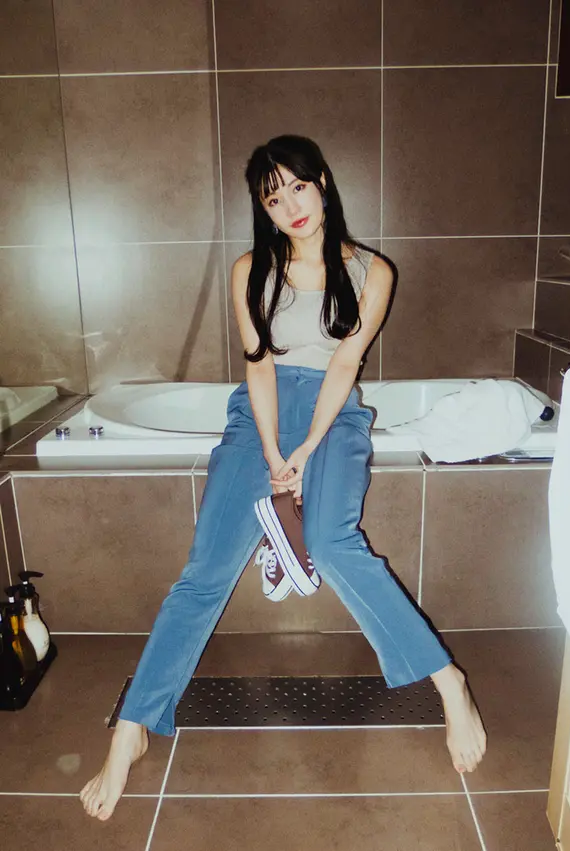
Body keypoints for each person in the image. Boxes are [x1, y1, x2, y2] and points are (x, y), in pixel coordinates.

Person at [80, 134, 486, 821]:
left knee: (331, 542)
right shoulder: (251, 270)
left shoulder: (374, 271)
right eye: (273, 197)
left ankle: (449, 682)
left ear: (322, 182)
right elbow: (259, 366)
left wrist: (309, 448)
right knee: (206, 568)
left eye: (298, 186)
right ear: (263, 209)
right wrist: (273, 454)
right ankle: (132, 728)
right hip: (259, 419)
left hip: (335, 415)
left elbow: (345, 364)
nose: (290, 205)